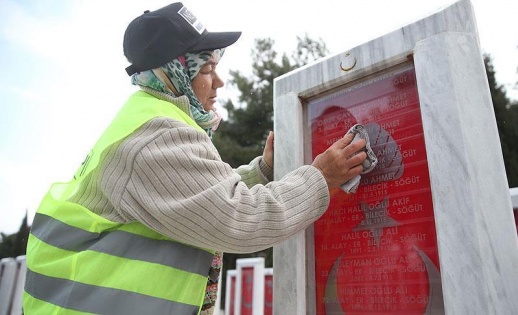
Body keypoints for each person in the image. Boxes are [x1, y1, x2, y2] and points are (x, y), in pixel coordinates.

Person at [23, 2, 367, 314]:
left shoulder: (144, 119)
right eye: (205, 70)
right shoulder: (158, 135)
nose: (218, 81)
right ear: (173, 75)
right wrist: (322, 176)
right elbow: (239, 219)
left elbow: (192, 197)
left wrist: (263, 171)